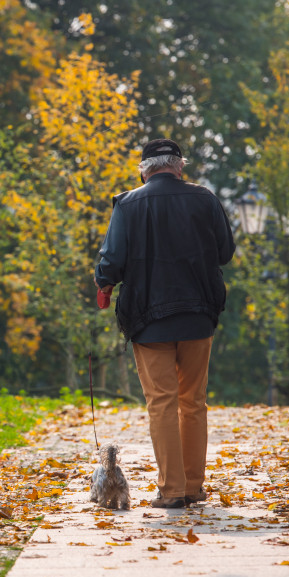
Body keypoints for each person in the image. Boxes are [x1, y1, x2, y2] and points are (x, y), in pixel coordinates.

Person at [94, 139, 235, 508]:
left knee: (161, 402)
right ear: (179, 166)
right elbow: (225, 252)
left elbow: (112, 260)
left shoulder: (127, 203)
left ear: (144, 171)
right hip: (198, 314)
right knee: (194, 402)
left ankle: (171, 490)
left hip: (148, 317)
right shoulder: (204, 199)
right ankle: (193, 486)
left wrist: (104, 284)